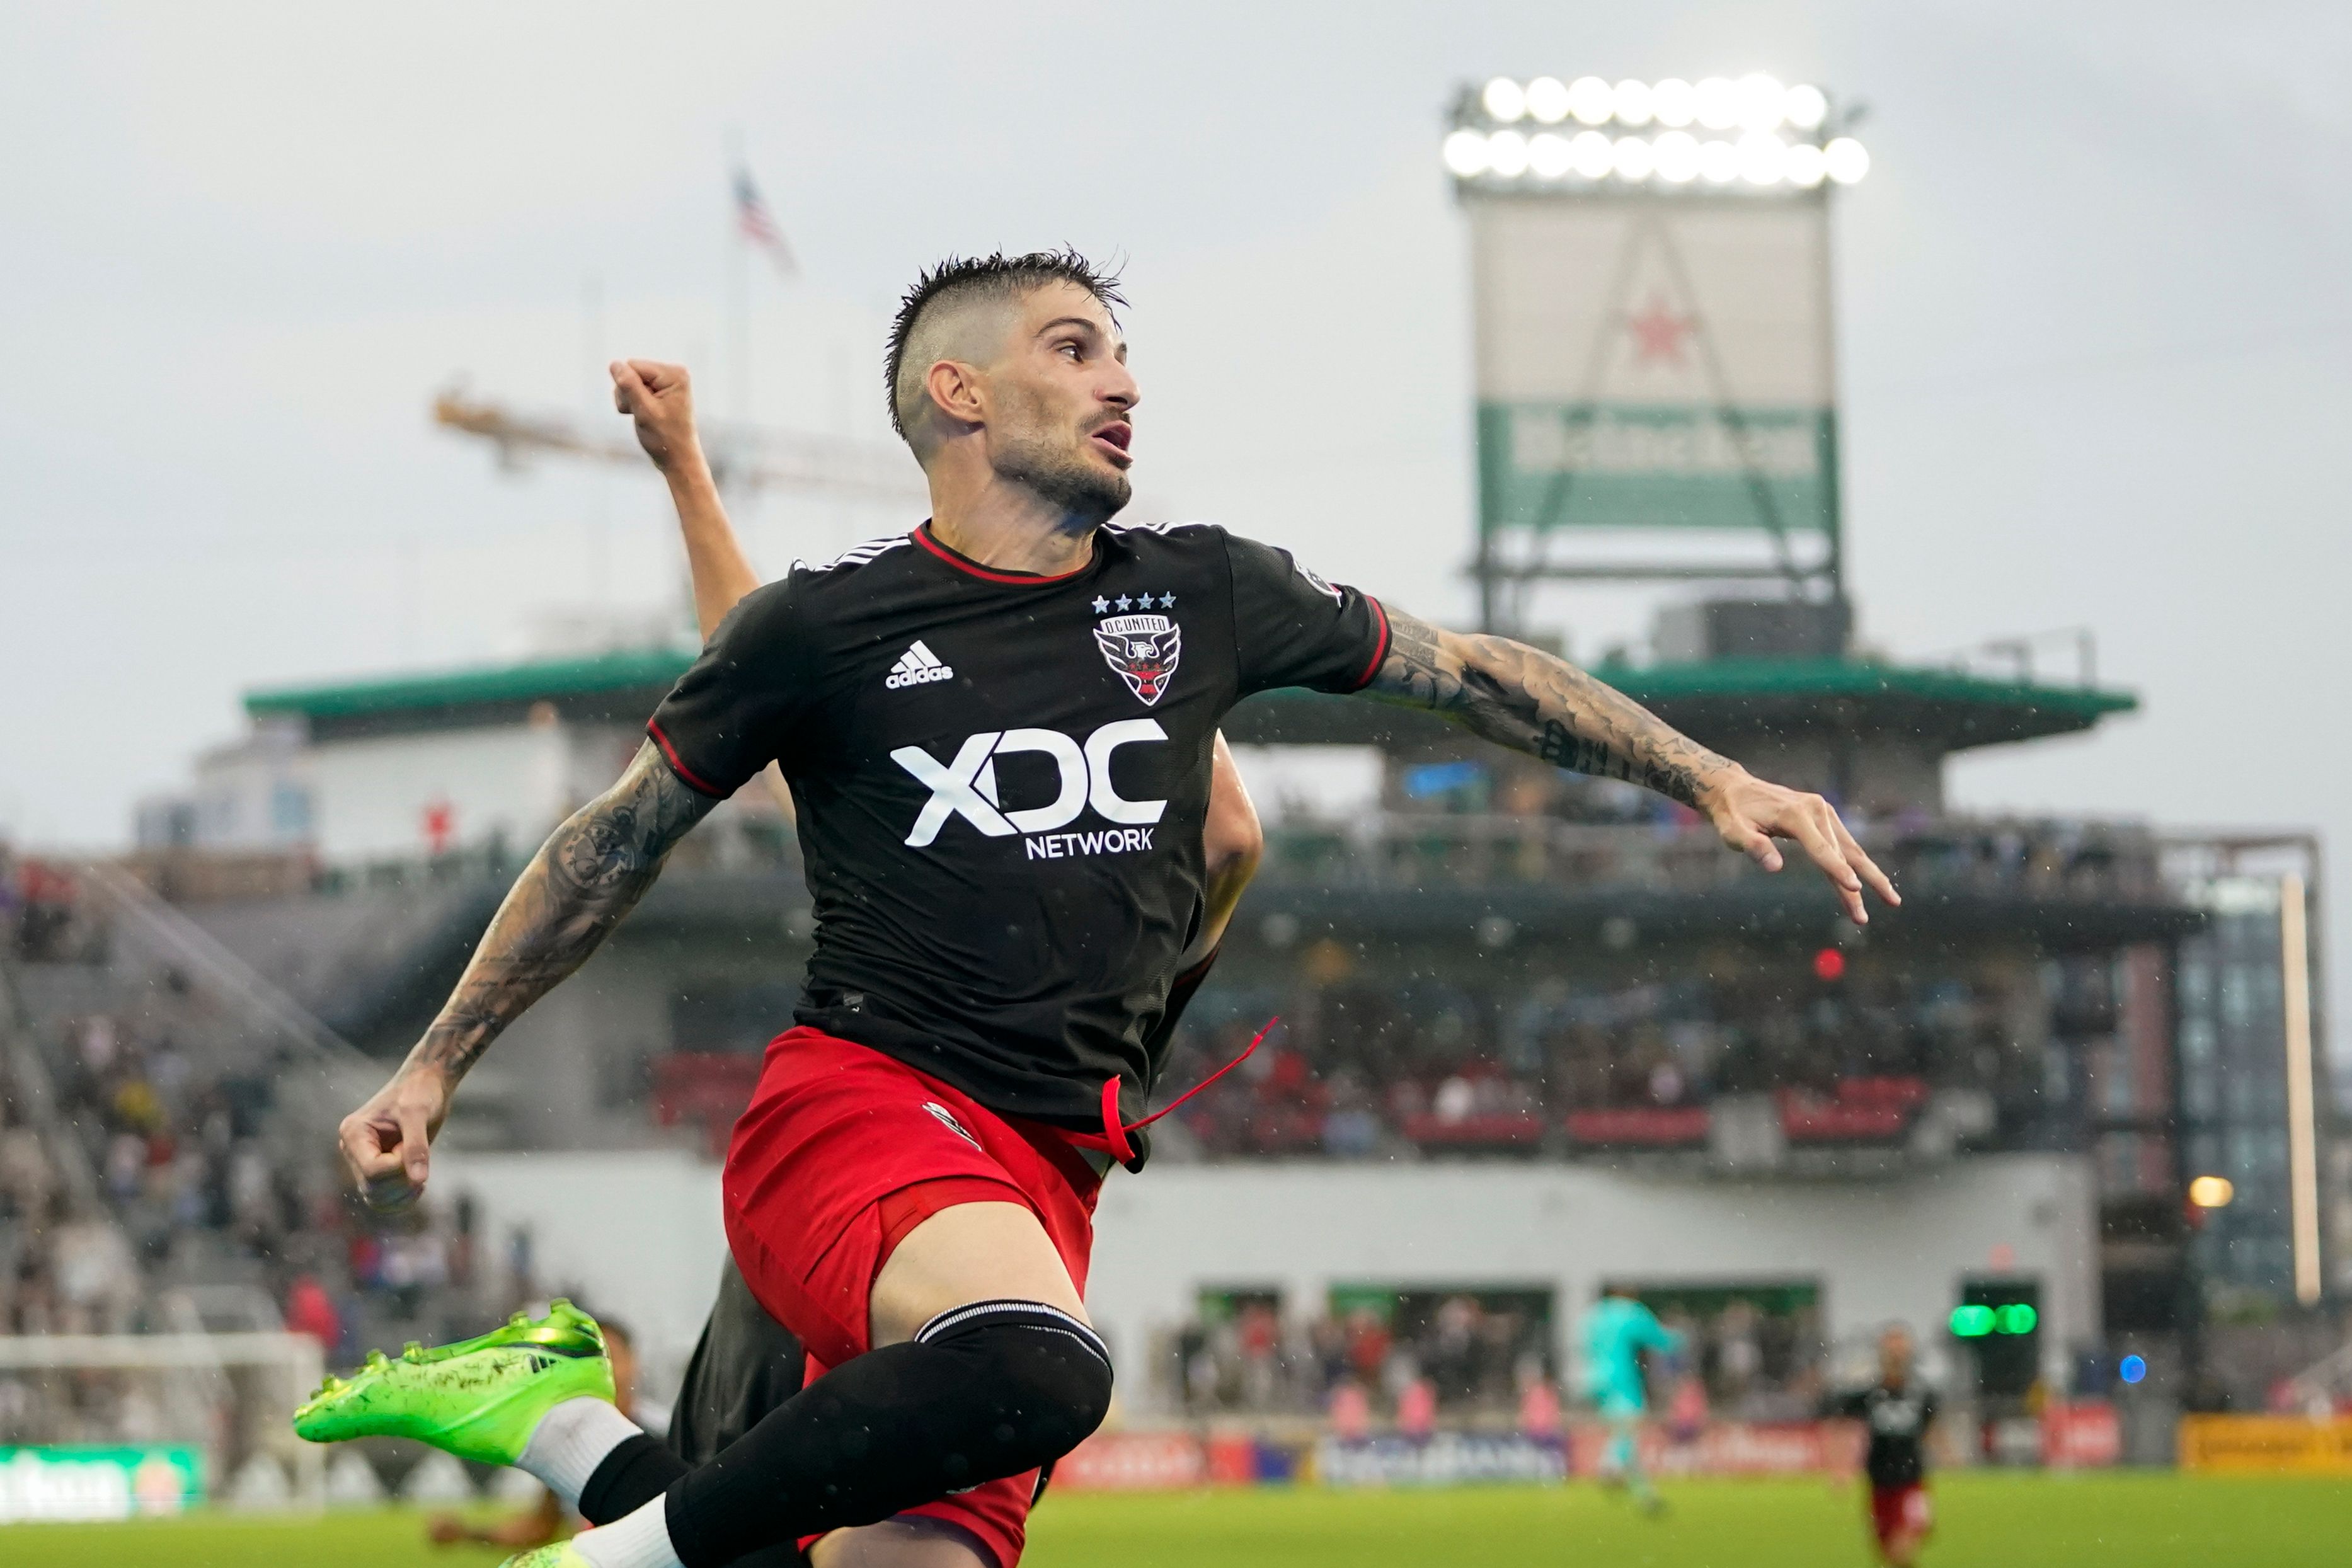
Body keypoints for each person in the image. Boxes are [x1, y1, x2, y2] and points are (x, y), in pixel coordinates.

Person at [295, 248, 1896, 1568]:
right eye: (1079, 348)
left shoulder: (1198, 591)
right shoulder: (839, 623)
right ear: (960, 392)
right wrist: (433, 1064)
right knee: (1038, 1362)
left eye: (1125, 354)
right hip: (858, 1109)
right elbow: (617, 836)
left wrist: (1709, 777)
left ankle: (561, 1423)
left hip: (1040, 1177)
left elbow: (1466, 669)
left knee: (845, 1525)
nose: (1124, 380)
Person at [626, 346, 1268, 1517]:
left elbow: (1227, 837)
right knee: (759, 1513)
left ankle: (563, 1429)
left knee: (759, 1508)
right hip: (923, 1190)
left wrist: (685, 473)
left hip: (886, 1189)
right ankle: (566, 1434)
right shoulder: (1088, 816)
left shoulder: (927, 779)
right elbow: (1229, 838)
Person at [429, 1317, 641, 1553]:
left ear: (633, 1363)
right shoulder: (569, 1443)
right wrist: (466, 1533)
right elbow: (540, 1527)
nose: (603, 1371)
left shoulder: (664, 1433)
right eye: (590, 1361)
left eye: (610, 1358)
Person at [1832, 1324, 1938, 1567]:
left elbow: (1932, 1430)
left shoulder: (1922, 1393)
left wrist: (1948, 1457)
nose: (1896, 1357)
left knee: (1902, 1548)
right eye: (1891, 1351)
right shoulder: (1869, 1394)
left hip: (1911, 1482)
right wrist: (1841, 1468)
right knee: (1888, 1556)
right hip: (1879, 1482)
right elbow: (1841, 1427)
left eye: (1901, 1351)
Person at [1581, 1285, 1679, 1514]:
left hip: (1595, 1380)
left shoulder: (1595, 1314)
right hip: (1621, 1378)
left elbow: (1584, 1344)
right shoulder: (1629, 1311)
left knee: (1624, 1435)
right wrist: (1679, 1339)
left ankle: (1646, 1495)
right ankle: (1610, 1466)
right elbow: (1659, 1339)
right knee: (1629, 1427)